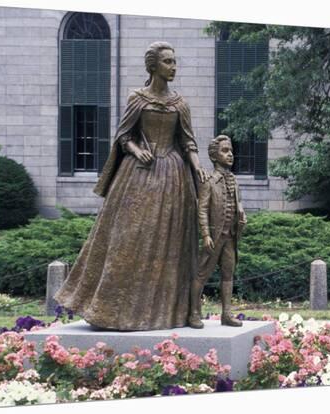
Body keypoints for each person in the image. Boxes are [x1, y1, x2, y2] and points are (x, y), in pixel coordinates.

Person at [54, 42, 208, 331]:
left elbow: (188, 141)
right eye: (167, 62)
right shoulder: (137, 99)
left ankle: (166, 312)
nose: (173, 67)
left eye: (175, 61)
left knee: (170, 243)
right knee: (128, 238)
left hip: (174, 176)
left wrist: (197, 165)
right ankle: (110, 309)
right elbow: (123, 136)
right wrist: (137, 151)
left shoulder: (180, 104)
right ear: (153, 66)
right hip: (138, 175)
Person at [188, 135, 247, 329]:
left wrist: (241, 214)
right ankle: (194, 313)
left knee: (228, 274)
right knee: (201, 274)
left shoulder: (234, 180)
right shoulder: (209, 181)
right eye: (224, 151)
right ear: (214, 156)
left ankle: (227, 314)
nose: (230, 154)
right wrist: (205, 234)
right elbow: (202, 209)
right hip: (214, 237)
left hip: (230, 237)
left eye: (230, 150)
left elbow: (237, 203)